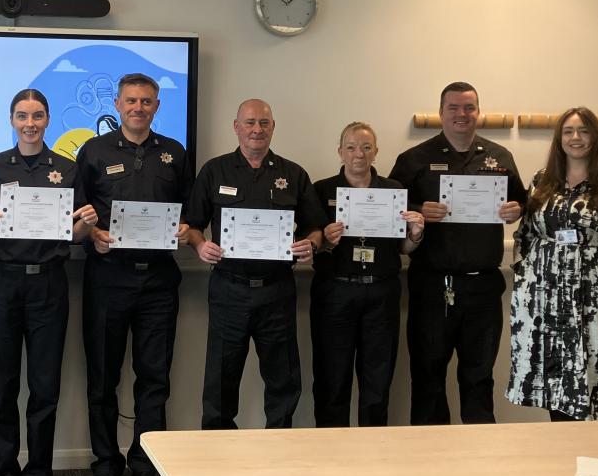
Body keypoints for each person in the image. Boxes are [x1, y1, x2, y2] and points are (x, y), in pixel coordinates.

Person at [0, 89, 97, 476]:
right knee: (2, 384)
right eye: (22, 115)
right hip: (0, 285)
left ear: (47, 119)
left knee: (45, 386)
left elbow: (74, 235)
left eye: (38, 115)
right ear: (11, 119)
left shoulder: (66, 168)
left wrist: (86, 225)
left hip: (48, 285)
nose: (30, 122)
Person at [75, 73, 192, 476]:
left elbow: (189, 212)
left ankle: (146, 465)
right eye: (130, 101)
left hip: (159, 280)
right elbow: (76, 215)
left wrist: (184, 230)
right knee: (103, 377)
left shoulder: (174, 154)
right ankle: (106, 466)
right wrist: (92, 235)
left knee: (154, 377)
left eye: (146, 101)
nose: (138, 108)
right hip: (108, 278)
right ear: (119, 104)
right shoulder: (93, 151)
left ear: (157, 107)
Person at [389, 81, 526, 425]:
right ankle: (430, 463)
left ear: (478, 112)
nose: (461, 115)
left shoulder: (500, 157)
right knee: (428, 378)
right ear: (441, 113)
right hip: (432, 286)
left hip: (482, 287)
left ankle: (478, 464)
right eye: (454, 108)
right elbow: (389, 207)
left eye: (469, 108)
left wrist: (516, 210)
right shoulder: (415, 159)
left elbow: (521, 201)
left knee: (479, 378)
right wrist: (420, 209)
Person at [185, 99, 327, 429]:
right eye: (249, 122)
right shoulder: (214, 170)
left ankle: (277, 459)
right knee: (220, 381)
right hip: (228, 289)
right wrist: (200, 245)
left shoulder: (293, 174)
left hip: (277, 291)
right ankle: (219, 459)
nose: (256, 129)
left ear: (273, 127)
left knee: (283, 382)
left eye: (264, 123)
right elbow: (192, 225)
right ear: (236, 127)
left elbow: (316, 227)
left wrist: (312, 245)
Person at [507, 107, 598, 421]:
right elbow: (524, 235)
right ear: (559, 138)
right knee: (553, 386)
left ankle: (589, 460)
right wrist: (526, 278)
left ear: (595, 137)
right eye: (568, 131)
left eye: (583, 131)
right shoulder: (542, 181)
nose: (575, 138)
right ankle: (560, 460)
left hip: (591, 301)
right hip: (544, 301)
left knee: (589, 383)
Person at [311, 122, 424, 427]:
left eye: (365, 147)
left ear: (376, 152)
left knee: (377, 382)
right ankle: (331, 455)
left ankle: (372, 456)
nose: (358, 154)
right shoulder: (321, 191)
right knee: (331, 380)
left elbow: (404, 247)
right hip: (335, 293)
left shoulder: (394, 190)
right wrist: (325, 240)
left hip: (381, 293)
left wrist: (416, 233)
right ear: (340, 152)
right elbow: (310, 243)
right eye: (350, 147)